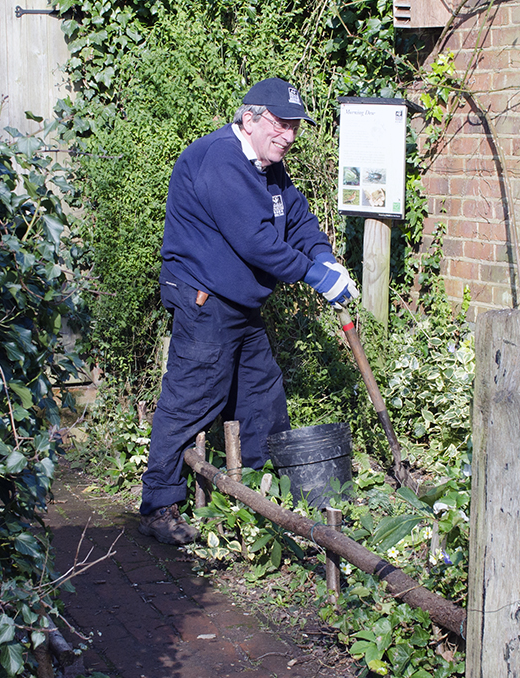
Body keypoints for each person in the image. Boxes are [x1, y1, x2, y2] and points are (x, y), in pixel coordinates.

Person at [139, 77, 357, 545]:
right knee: (193, 400)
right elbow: (256, 241)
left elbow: (297, 219)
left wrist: (324, 258)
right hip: (206, 301)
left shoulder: (268, 166)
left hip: (239, 302)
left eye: (295, 127)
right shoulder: (219, 160)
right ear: (250, 118)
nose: (289, 135)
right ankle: (160, 504)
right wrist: (317, 278)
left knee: (261, 395)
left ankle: (260, 495)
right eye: (281, 124)